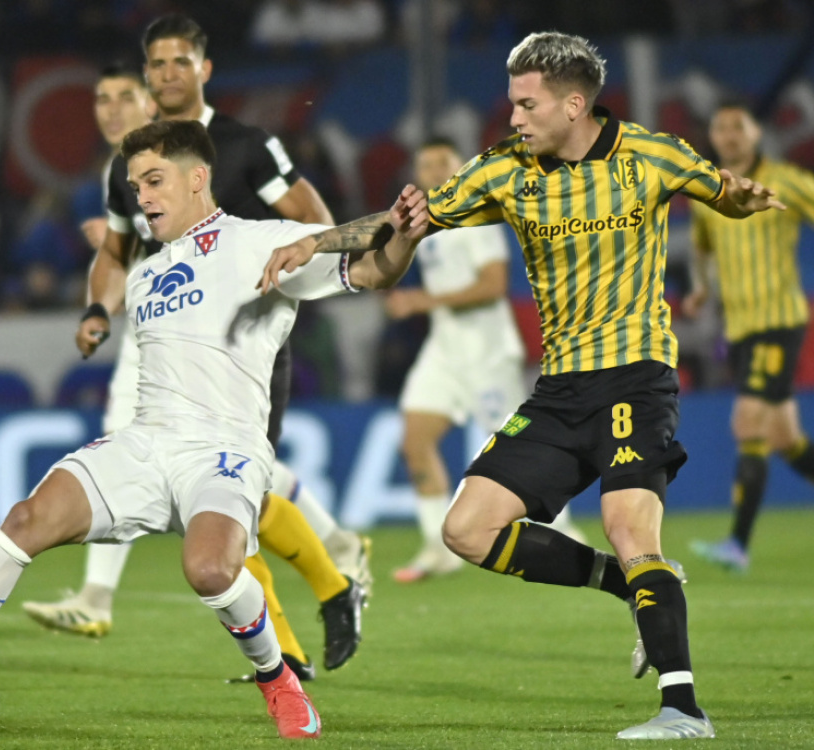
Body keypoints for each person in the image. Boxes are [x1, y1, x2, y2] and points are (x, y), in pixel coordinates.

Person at [259, 31, 787, 740]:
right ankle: (626, 586)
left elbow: (723, 192)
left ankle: (682, 708)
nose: (512, 117)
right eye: (512, 103)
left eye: (526, 105)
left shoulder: (651, 155)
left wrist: (741, 197)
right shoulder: (506, 170)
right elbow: (405, 220)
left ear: (573, 105)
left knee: (630, 527)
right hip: (559, 390)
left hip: (636, 378)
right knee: (466, 530)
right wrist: (313, 241)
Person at [0, 119, 428, 741]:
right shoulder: (146, 276)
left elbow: (374, 269)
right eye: (136, 184)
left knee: (210, 570)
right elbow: (121, 280)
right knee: (26, 521)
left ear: (197, 179)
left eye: (154, 180)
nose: (141, 195)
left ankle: (278, 679)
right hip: (145, 443)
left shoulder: (261, 240)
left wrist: (405, 234)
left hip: (224, 448)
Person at [22, 15, 371, 679]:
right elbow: (118, 252)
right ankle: (298, 633)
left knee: (237, 493)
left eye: (179, 61)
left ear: (205, 69)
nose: (167, 74)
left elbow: (315, 221)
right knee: (209, 499)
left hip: (242, 338)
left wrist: (296, 278)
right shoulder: (134, 162)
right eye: (156, 64)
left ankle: (326, 592)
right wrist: (98, 307)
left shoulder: (246, 145)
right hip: (162, 335)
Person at [387, 137, 585, 584]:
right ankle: (437, 548)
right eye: (425, 165)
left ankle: (563, 527)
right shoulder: (428, 225)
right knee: (414, 442)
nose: (434, 172)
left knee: (521, 447)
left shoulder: (478, 217)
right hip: (444, 351)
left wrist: (421, 301)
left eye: (442, 162)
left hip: (488, 354)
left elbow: (494, 285)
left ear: (461, 166)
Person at [684, 101, 814, 573]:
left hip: (777, 322)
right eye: (720, 127)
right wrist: (700, 288)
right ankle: (737, 545)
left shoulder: (785, 180)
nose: (729, 134)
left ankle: (737, 545)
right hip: (739, 329)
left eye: (738, 126)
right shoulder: (709, 189)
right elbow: (702, 246)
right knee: (784, 438)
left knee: (747, 424)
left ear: (756, 133)